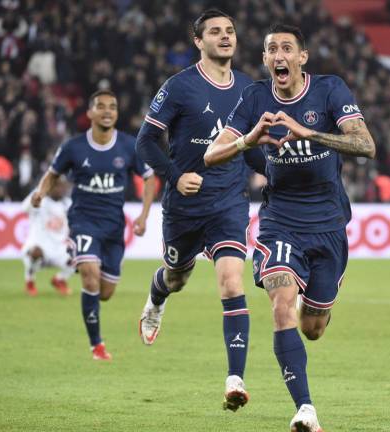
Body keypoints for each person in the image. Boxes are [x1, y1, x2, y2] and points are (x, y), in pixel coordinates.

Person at [204, 24, 376, 432]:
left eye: (286, 48)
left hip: (329, 224)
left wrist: (309, 133)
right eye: (271, 50)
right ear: (265, 59)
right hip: (280, 223)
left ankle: (310, 301)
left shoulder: (330, 90)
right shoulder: (255, 97)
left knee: (312, 328)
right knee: (281, 304)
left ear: (302, 57)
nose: (279, 55)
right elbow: (212, 154)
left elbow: (366, 146)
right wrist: (249, 140)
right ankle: (306, 410)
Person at [134, 9, 265, 412]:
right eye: (215, 32)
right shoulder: (179, 86)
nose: (225, 37)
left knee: (231, 282)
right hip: (185, 206)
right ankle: (157, 297)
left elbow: (250, 149)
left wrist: (276, 174)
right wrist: (175, 176)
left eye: (230, 31)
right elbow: (145, 142)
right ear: (198, 41)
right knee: (177, 277)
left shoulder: (249, 88)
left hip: (229, 202)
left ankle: (235, 380)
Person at [31, 89, 155, 360]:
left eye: (112, 106)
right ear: (90, 113)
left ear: (117, 113)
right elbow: (52, 174)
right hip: (83, 221)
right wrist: (40, 193)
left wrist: (144, 215)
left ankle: (85, 264)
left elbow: (149, 177)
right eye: (101, 106)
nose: (107, 111)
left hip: (113, 227)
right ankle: (96, 345)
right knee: (89, 273)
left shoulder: (128, 146)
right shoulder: (73, 147)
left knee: (105, 292)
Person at [21, 176, 74, 296]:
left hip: (58, 248)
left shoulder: (67, 203)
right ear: (50, 187)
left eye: (63, 186)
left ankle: (59, 279)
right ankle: (30, 281)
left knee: (79, 258)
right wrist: (38, 192)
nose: (61, 189)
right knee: (35, 252)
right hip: (39, 245)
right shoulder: (40, 200)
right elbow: (24, 208)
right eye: (58, 186)